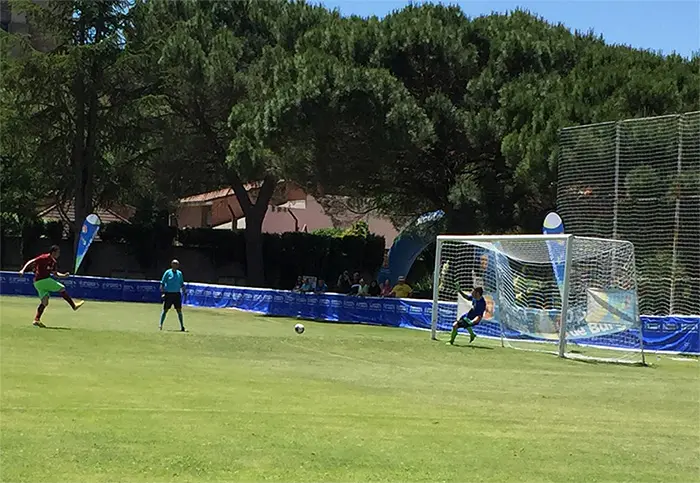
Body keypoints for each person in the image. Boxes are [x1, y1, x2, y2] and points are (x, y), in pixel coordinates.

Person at [19, 245, 84, 327]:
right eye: (58, 252)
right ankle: (73, 306)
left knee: (45, 302)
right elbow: (31, 261)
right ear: (53, 252)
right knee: (62, 288)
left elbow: (56, 274)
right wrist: (23, 270)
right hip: (42, 280)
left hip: (38, 283)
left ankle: (36, 320)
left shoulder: (53, 262)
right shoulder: (44, 257)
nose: (59, 254)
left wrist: (64, 275)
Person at [159, 259, 186, 331]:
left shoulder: (179, 273)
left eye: (177, 264)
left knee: (179, 310)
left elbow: (182, 284)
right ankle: (160, 325)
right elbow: (162, 283)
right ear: (171, 264)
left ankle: (182, 326)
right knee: (165, 310)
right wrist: (163, 293)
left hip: (177, 294)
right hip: (169, 294)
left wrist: (184, 292)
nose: (175, 265)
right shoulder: (167, 272)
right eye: (174, 264)